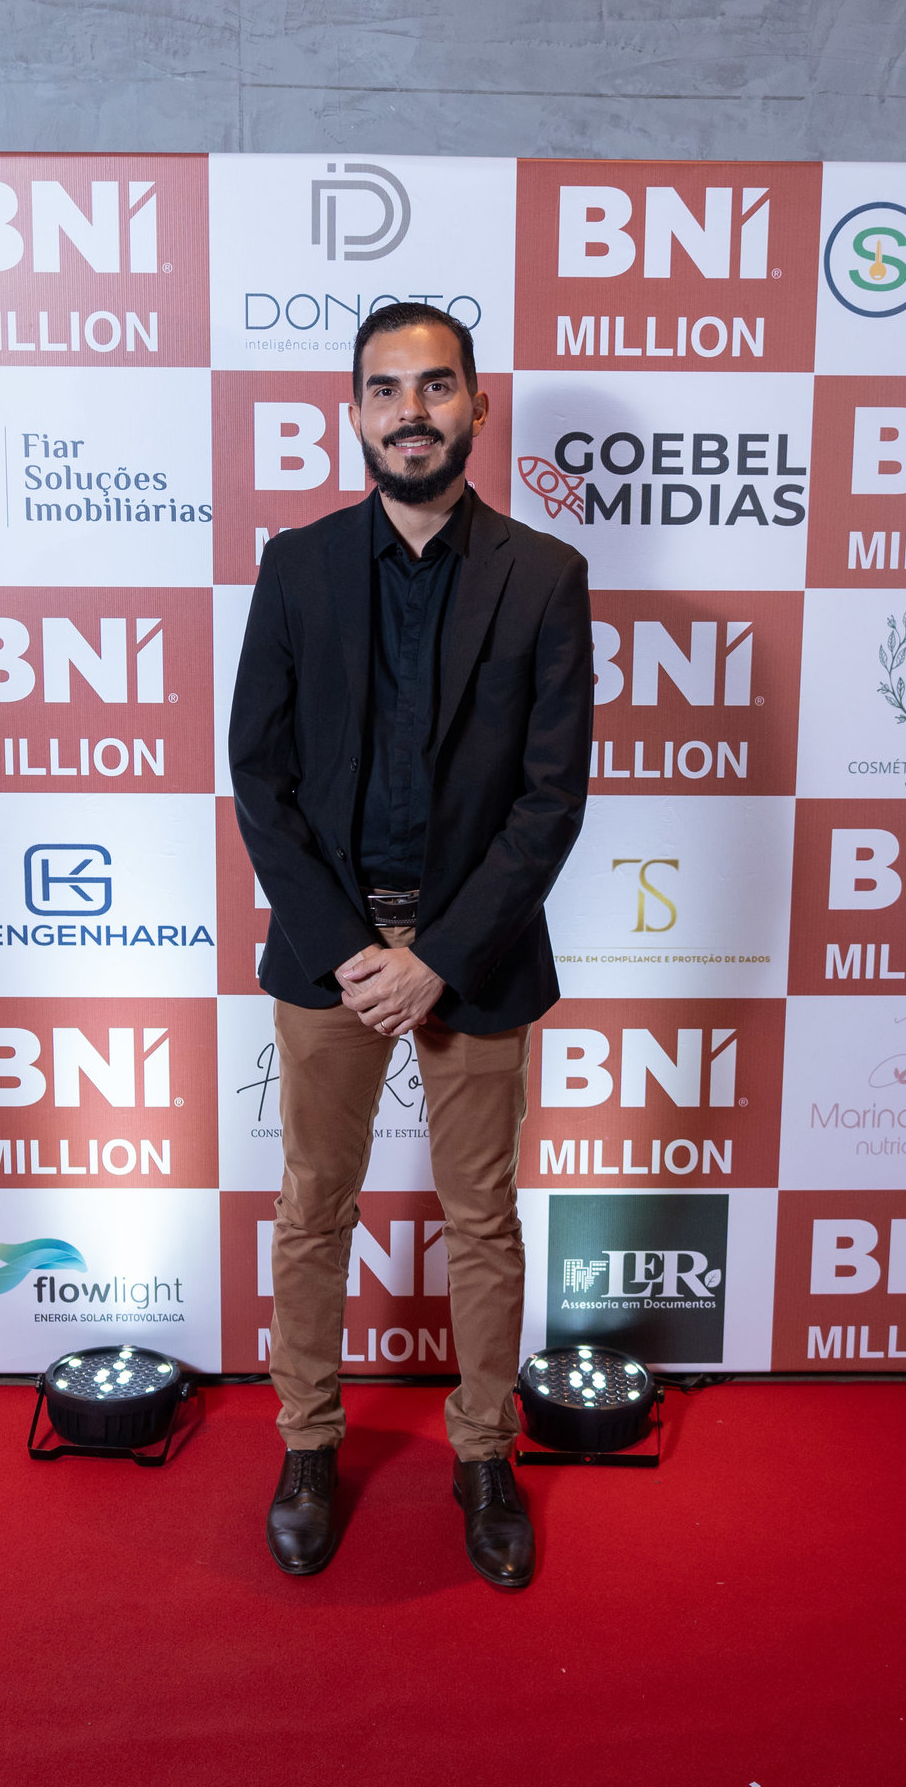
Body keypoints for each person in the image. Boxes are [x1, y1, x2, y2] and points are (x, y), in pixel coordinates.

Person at [229, 302, 593, 1589]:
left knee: (482, 1218)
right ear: (356, 414)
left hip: (474, 955)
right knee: (311, 1209)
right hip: (328, 952)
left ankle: (484, 1454)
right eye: (385, 390)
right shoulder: (297, 566)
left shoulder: (544, 574)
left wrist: (437, 955)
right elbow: (258, 775)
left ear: (477, 407)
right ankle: (307, 1444)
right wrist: (349, 948)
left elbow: (551, 798)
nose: (411, 412)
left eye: (436, 386)